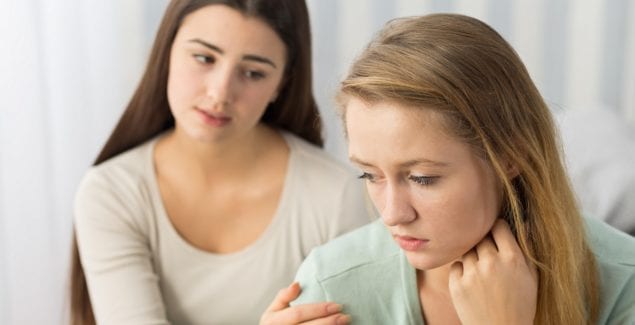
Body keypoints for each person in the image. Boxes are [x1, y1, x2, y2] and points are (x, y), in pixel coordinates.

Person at [290, 13, 635, 324]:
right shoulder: (331, 286)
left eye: (423, 178)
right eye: (370, 175)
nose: (392, 214)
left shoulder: (624, 283)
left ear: (510, 156)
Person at [70, 1, 371, 324]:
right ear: (166, 51)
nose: (220, 93)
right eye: (204, 58)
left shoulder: (334, 193)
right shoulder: (112, 192)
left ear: (281, 83)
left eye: (253, 73)